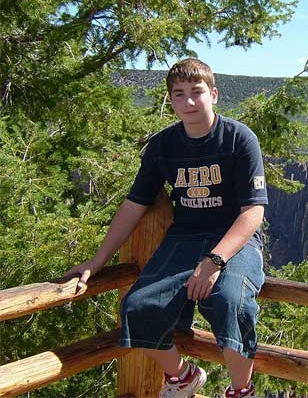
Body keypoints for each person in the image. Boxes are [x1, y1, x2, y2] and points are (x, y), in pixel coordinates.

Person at [65, 58, 267, 398]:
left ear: (213, 94)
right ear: (170, 100)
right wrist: (96, 262)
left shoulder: (239, 139)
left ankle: (241, 390)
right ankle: (183, 376)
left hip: (235, 239)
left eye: (196, 92)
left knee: (232, 302)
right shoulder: (162, 147)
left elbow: (253, 212)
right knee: (138, 307)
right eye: (179, 94)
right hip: (184, 238)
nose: (188, 102)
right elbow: (133, 206)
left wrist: (214, 262)